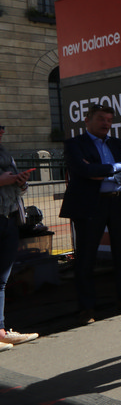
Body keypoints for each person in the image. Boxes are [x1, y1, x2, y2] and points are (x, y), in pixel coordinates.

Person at [60, 103, 121, 324]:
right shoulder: (74, 144)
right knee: (86, 257)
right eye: (101, 119)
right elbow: (84, 170)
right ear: (87, 120)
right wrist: (117, 167)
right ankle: (87, 308)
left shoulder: (119, 143)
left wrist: (105, 174)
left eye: (109, 120)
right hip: (90, 206)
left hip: (119, 203)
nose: (106, 123)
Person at [0, 124, 38, 350]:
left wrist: (21, 181)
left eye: (2, 127)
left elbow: (21, 190)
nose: (1, 131)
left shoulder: (6, 155)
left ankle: (1, 332)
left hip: (9, 218)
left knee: (1, 280)